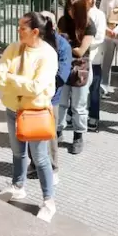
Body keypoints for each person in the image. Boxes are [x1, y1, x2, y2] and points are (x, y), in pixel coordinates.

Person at [0, 12, 58, 223]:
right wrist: (17, 82)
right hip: (13, 109)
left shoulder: (47, 55)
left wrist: (11, 79)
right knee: (17, 152)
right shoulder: (13, 48)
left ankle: (49, 201)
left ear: (35, 32)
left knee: (40, 159)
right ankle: (18, 186)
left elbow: (37, 87)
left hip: (34, 113)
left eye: (22, 28)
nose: (18, 31)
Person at [27, 11, 72, 185]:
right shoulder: (32, 42)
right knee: (31, 129)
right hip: (30, 93)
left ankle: (53, 168)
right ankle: (34, 163)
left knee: (49, 132)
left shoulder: (62, 45)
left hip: (50, 96)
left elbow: (62, 75)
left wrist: (40, 84)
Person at [58, 0, 96, 155]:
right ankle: (57, 131)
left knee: (78, 106)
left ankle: (78, 136)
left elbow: (81, 51)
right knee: (60, 102)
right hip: (64, 66)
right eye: (68, 9)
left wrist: (65, 44)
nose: (70, 12)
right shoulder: (63, 21)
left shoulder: (89, 25)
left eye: (73, 10)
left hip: (81, 69)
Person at [77, 0, 107, 131]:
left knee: (94, 89)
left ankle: (93, 117)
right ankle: (72, 113)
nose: (93, 1)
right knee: (75, 86)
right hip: (78, 58)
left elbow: (100, 37)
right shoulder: (75, 12)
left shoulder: (99, 14)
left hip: (94, 58)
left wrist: (83, 45)